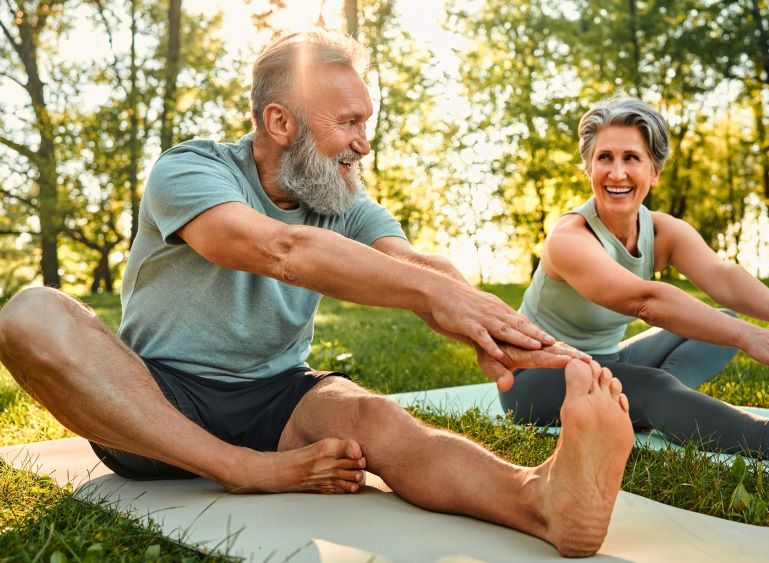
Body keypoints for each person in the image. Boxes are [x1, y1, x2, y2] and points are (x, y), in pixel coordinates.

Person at [0, 33, 636, 557]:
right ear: (280, 122)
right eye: (349, 122)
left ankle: (541, 500)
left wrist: (491, 325)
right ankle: (240, 468)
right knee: (29, 313)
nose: (364, 141)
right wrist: (427, 293)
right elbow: (282, 251)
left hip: (279, 397)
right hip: (154, 401)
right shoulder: (191, 170)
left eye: (367, 122)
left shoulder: (341, 199)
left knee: (376, 419)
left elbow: (417, 265)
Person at [500, 96, 769, 473]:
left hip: (605, 360)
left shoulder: (660, 230)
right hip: (534, 378)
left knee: (716, 323)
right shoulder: (569, 239)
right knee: (656, 384)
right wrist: (752, 337)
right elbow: (645, 301)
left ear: (654, 171)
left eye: (631, 158)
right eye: (604, 158)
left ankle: (645, 403)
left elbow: (722, 276)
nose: (617, 173)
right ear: (588, 169)